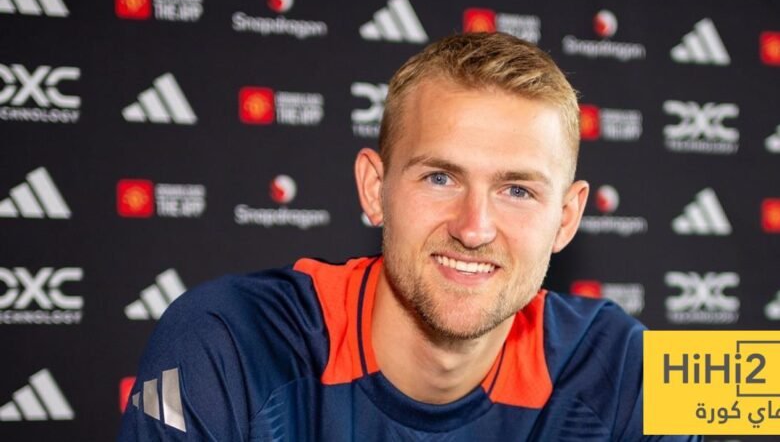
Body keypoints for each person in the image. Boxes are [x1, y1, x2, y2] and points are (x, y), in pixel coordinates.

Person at [118, 33, 699, 441]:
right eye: (440, 178)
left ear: (567, 218)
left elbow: (741, 389)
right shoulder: (228, 338)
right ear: (375, 189)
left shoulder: (631, 364)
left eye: (517, 190)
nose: (474, 228)